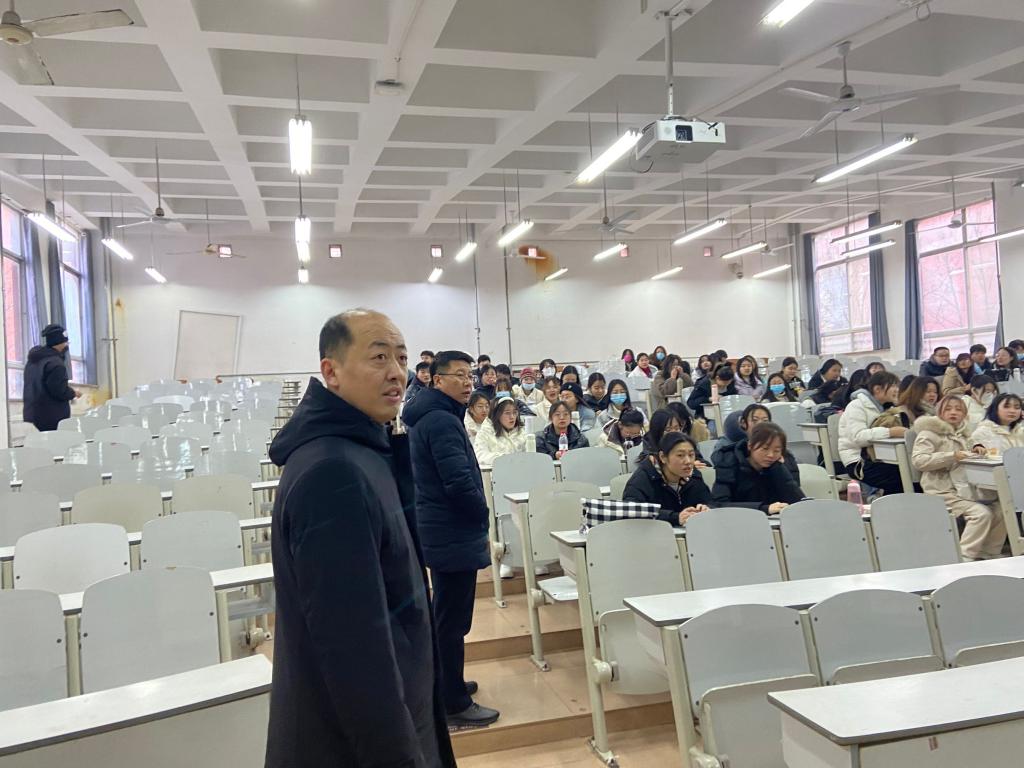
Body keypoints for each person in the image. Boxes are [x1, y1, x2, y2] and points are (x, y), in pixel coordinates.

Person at [265, 309, 456, 767]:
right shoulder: (333, 472)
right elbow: (354, 651)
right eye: (378, 357)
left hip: (398, 709)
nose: (397, 372)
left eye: (402, 358)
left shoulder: (363, 451)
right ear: (330, 371)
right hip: (352, 744)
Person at [403, 350, 500, 727]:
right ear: (437, 380)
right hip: (452, 529)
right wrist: (481, 514)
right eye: (458, 375)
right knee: (451, 621)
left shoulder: (434, 414)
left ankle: (448, 684)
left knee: (447, 616)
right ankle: (453, 703)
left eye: (469, 375)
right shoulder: (441, 420)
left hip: (443, 527)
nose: (466, 382)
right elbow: (458, 481)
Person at [911, 396, 1006, 560]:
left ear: (965, 414)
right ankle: (964, 556)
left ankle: (988, 552)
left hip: (967, 489)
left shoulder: (964, 433)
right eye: (948, 409)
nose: (953, 412)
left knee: (1002, 508)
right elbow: (919, 461)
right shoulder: (929, 433)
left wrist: (977, 448)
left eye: (958, 409)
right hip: (942, 490)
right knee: (981, 514)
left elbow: (970, 449)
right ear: (940, 412)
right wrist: (951, 456)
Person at [710, 422, 805, 514]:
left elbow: (799, 502)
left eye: (776, 451)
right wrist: (763, 508)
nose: (771, 455)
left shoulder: (783, 464)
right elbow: (720, 505)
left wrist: (779, 469)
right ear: (750, 446)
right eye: (765, 449)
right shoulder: (728, 463)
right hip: (738, 520)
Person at [838, 370, 907, 495]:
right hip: (859, 461)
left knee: (910, 473)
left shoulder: (888, 407)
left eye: (897, 386)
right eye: (893, 386)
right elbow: (859, 437)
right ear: (877, 389)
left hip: (883, 458)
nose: (897, 390)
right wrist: (890, 432)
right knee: (901, 477)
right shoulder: (857, 406)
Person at [623, 433, 712, 525]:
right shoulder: (643, 478)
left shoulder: (694, 476)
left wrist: (706, 508)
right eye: (680, 455)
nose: (688, 461)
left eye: (691, 455)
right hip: (655, 532)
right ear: (663, 457)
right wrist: (675, 517)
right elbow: (632, 511)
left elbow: (710, 502)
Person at [715, 404, 801, 486]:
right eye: (755, 420)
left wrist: (780, 469)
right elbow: (722, 494)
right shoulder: (728, 456)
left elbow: (795, 492)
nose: (760, 424)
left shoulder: (785, 456)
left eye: (765, 421)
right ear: (743, 423)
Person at [23, 323, 80, 432]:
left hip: (34, 413)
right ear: (59, 343)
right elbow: (59, 390)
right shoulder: (55, 363)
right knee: (55, 441)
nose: (66, 345)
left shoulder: (34, 360)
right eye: (65, 342)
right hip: (52, 415)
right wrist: (73, 393)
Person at [473, 397, 536, 465]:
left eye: (514, 412)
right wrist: (503, 458)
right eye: (507, 413)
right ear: (497, 415)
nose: (512, 417)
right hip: (495, 470)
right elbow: (479, 455)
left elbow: (531, 457)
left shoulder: (523, 432)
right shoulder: (484, 433)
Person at [873, 376, 938, 429]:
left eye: (935, 392)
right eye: (928, 391)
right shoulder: (902, 414)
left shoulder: (935, 412)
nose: (932, 395)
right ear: (917, 392)